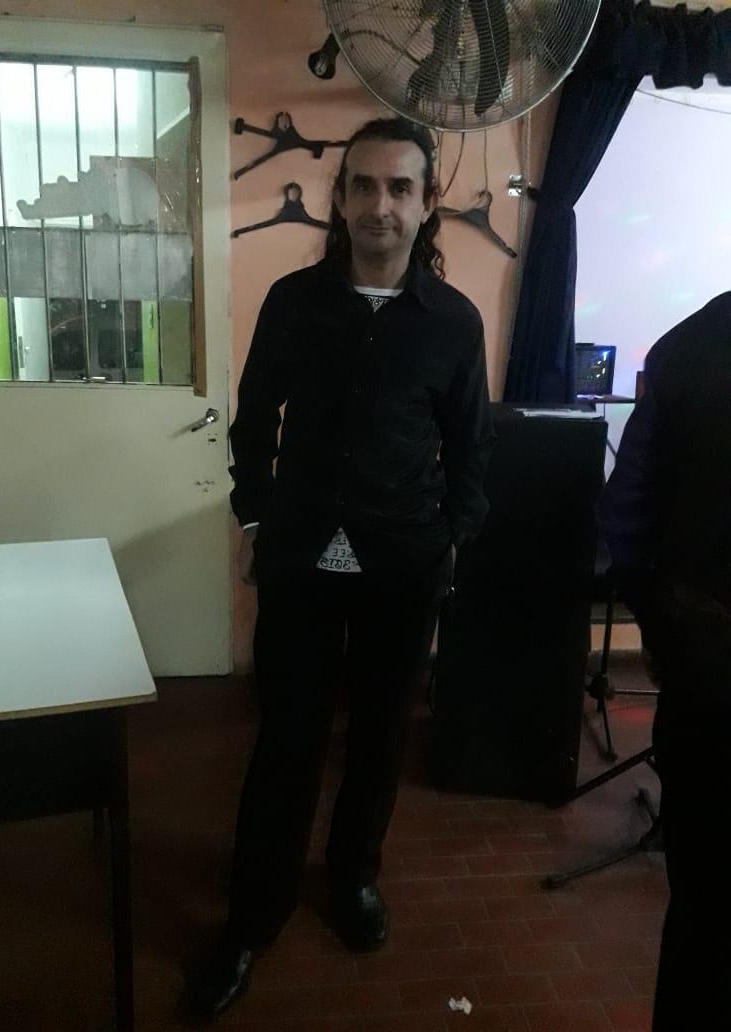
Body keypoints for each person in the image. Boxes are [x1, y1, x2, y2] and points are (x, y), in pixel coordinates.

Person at [184, 116, 494, 1020]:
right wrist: (253, 515)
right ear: (340, 196)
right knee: (286, 739)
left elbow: (470, 449)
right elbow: (253, 425)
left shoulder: (454, 324)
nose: (378, 205)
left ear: (427, 203)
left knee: (380, 738)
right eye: (363, 185)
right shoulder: (293, 302)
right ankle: (253, 915)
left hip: (403, 566)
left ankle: (354, 876)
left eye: (399, 188)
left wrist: (450, 540)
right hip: (301, 562)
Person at [598, 293, 731, 1031]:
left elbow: (626, 521)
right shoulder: (689, 350)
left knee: (703, 912)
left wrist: (662, 628)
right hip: (708, 671)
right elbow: (627, 517)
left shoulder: (685, 347)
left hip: (703, 668)